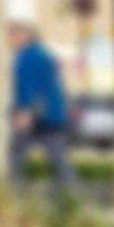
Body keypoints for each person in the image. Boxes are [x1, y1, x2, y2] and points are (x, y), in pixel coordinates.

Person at [7, 23, 73, 200]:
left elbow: (27, 85)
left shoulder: (26, 56)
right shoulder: (43, 53)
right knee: (58, 156)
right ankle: (71, 194)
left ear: (25, 36)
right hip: (53, 113)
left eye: (13, 35)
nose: (10, 40)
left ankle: (12, 194)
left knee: (16, 153)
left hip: (37, 114)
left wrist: (24, 112)